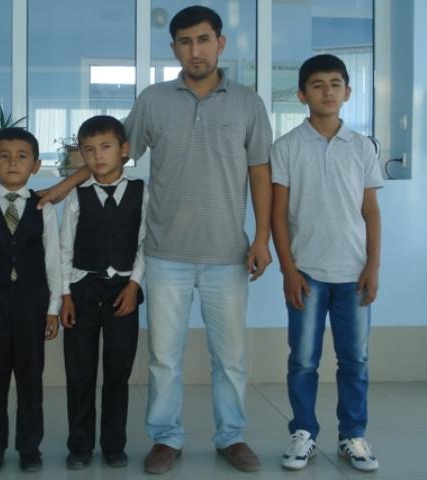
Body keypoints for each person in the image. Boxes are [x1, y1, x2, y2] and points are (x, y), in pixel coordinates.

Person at [38, 5, 272, 474]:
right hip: (165, 255)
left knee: (230, 358)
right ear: (174, 48)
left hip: (227, 254)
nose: (195, 50)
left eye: (203, 40)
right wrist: (66, 186)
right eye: (185, 42)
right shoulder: (154, 100)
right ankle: (166, 438)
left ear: (220, 43)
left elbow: (260, 171)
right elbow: (113, 154)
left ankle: (231, 437)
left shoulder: (248, 103)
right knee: (164, 358)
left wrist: (261, 237)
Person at [271, 54, 383, 472]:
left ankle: (353, 435)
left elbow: (370, 211)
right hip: (307, 273)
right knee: (303, 360)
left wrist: (373, 266)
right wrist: (288, 270)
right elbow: (277, 215)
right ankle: (303, 432)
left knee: (355, 360)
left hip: (354, 274)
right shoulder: (286, 147)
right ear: (302, 95)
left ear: (348, 92)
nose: (328, 91)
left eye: (335, 84)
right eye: (317, 85)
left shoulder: (363, 146)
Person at [0, 127, 62, 473]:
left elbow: (53, 262)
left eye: (22, 156)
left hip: (33, 304)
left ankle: (29, 448)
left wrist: (53, 309)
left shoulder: (44, 209)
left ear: (35, 165)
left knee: (31, 380)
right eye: (4, 156)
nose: (13, 162)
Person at [59, 115, 147, 470]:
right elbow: (64, 248)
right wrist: (65, 294)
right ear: (82, 155)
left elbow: (146, 243)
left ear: (124, 150)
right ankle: (79, 446)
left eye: (106, 147)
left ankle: (113, 444)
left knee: (117, 372)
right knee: (79, 373)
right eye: (89, 149)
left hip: (123, 290)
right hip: (82, 290)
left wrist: (134, 284)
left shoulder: (142, 192)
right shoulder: (76, 197)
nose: (98, 156)